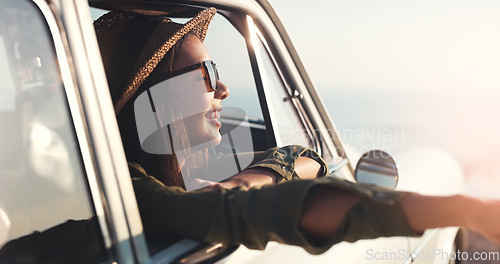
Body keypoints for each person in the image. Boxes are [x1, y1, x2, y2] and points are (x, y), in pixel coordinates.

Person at [93, 7, 500, 256]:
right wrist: (465, 209)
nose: (223, 88)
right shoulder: (123, 190)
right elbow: (268, 210)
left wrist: (248, 180)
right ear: (157, 97)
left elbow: (303, 155)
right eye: (204, 74)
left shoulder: (182, 168)